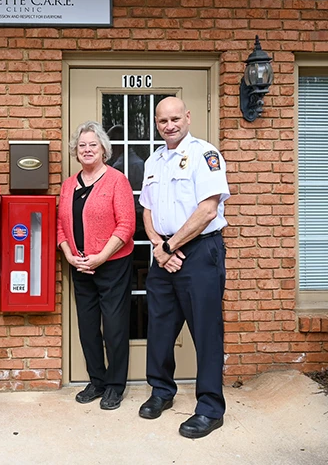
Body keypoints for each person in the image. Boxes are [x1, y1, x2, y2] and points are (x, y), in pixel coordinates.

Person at [138, 96, 230, 439]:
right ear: (157, 124)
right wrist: (159, 248)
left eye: (175, 118)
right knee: (160, 326)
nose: (169, 125)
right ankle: (161, 391)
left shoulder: (205, 156)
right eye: (163, 121)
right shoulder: (154, 160)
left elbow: (207, 211)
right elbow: (146, 209)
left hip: (200, 251)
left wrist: (168, 247)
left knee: (206, 331)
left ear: (188, 118)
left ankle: (209, 408)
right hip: (163, 251)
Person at [57, 121, 136, 411]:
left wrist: (101, 256)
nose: (87, 149)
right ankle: (97, 380)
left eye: (93, 145)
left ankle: (115, 385)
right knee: (88, 328)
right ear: (75, 152)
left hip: (112, 265)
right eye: (82, 146)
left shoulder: (117, 180)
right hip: (79, 265)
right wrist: (68, 254)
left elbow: (126, 225)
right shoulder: (68, 185)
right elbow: (59, 226)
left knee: (114, 328)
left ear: (103, 149)